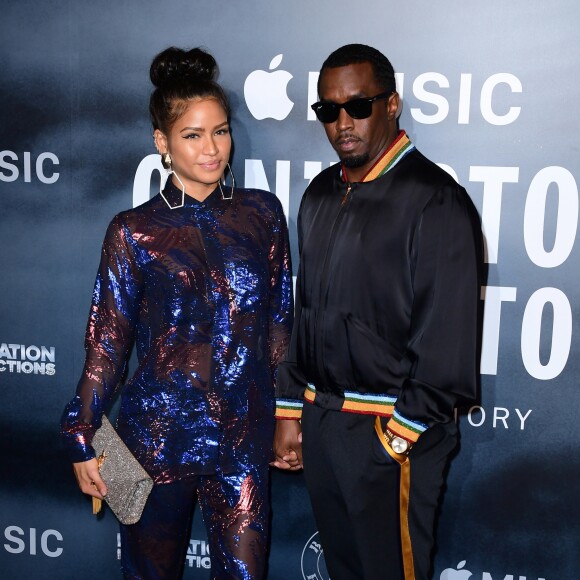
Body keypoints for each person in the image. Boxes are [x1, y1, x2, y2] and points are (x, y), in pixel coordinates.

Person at [61, 46, 293, 580]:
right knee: (146, 574)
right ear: (162, 143)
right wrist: (82, 435)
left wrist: (287, 415)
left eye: (220, 131)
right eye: (193, 135)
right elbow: (107, 343)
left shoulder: (262, 213)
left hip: (243, 435)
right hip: (148, 438)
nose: (211, 149)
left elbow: (280, 324)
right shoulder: (131, 230)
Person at [272, 44, 483, 580]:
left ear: (392, 104)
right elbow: (308, 312)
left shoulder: (435, 199)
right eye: (328, 110)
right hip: (324, 426)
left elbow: (447, 344)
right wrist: (294, 410)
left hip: (391, 434)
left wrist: (393, 441)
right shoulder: (319, 193)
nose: (343, 122)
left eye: (358, 106)